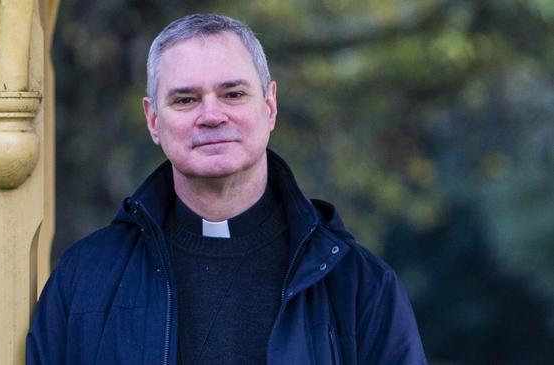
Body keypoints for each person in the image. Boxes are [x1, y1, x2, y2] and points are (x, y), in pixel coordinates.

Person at [26, 13, 427, 365]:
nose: (212, 115)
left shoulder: (359, 286)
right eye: (185, 100)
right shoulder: (84, 279)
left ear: (269, 107)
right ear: (152, 120)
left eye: (233, 94)